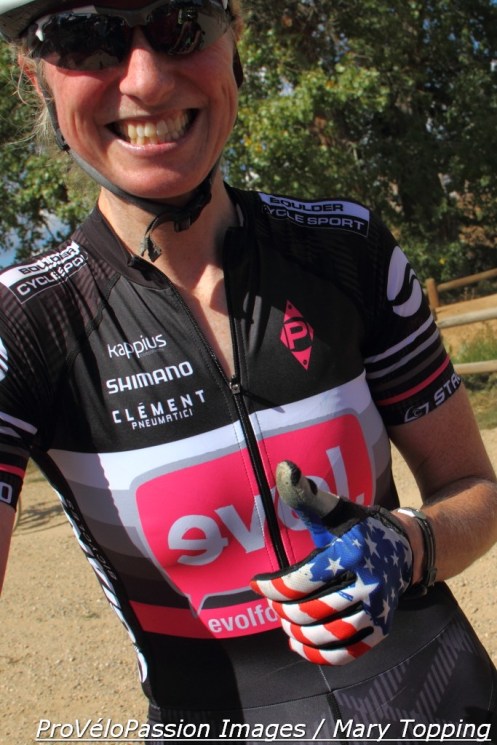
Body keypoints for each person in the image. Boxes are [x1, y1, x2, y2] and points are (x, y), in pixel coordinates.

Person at [0, 0, 496, 739]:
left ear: (232, 38)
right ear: (35, 76)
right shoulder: (22, 325)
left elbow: (475, 489)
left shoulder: (346, 250)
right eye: (82, 37)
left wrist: (410, 543)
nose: (145, 79)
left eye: (181, 23)